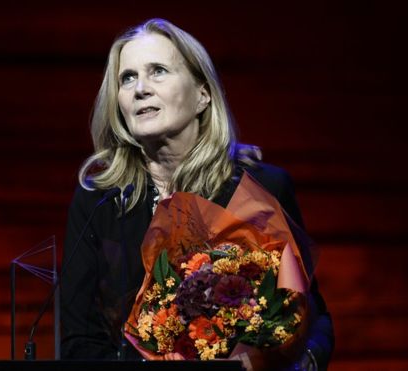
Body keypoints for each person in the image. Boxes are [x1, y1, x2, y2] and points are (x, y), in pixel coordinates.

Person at [60, 18, 334, 370]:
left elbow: (312, 318)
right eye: (127, 78)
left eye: (157, 71)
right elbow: (80, 339)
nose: (140, 88)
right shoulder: (99, 200)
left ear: (203, 95)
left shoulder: (259, 188)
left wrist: (291, 362)